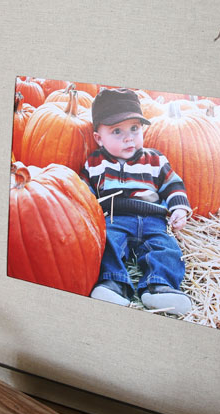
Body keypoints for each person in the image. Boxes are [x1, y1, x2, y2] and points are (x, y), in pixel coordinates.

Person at [80, 88, 193, 316]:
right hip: (115, 217)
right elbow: (83, 192)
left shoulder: (154, 159)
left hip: (153, 219)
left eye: (134, 128)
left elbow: (172, 184)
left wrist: (179, 207)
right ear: (98, 138)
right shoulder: (95, 163)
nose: (128, 137)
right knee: (107, 243)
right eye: (117, 131)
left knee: (167, 248)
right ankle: (114, 283)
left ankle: (159, 287)